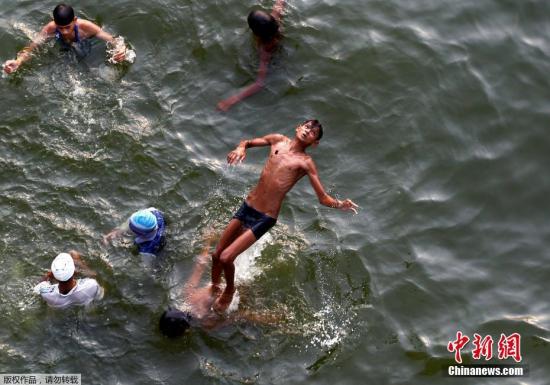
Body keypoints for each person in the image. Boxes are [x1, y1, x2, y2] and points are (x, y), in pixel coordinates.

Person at [210, 119, 359, 312]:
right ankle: (213, 288)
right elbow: (246, 142)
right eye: (307, 126)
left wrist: (340, 204)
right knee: (216, 255)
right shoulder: (277, 140)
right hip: (248, 205)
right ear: (298, 127)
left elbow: (322, 198)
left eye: (313, 132)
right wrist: (241, 148)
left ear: (315, 143)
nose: (308, 131)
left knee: (226, 258)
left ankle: (229, 290)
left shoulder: (305, 163)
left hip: (265, 217)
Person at [160, 234, 282, 337]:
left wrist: (272, 320)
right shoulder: (188, 294)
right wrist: (208, 241)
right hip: (226, 279)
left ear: (186, 331)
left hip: (239, 293)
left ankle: (278, 319)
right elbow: (200, 265)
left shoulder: (207, 324)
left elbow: (239, 316)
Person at [3, 3, 126, 74]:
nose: (64, 31)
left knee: (94, 70)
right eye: (60, 28)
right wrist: (18, 61)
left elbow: (112, 39)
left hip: (86, 43)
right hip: (63, 45)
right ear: (55, 22)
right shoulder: (50, 28)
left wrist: (120, 49)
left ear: (75, 20)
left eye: (68, 27)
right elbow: (32, 47)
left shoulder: (86, 26)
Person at [217, 0, 286, 112]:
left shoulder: (265, 50)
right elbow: (280, 3)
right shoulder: (276, 19)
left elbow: (260, 84)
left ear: (256, 33)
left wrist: (230, 101)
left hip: (275, 64)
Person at [33, 250, 104, 309]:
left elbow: (38, 286)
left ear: (53, 274)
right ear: (73, 271)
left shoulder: (46, 294)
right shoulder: (91, 285)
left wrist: (48, 275)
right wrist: (80, 263)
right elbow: (100, 292)